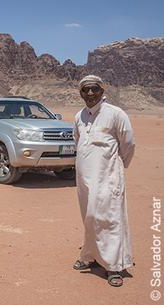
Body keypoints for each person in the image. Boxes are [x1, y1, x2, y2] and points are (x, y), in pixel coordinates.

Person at [72, 75, 135, 287]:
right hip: (84, 181)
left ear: (102, 90)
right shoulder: (79, 116)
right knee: (89, 218)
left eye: (94, 89)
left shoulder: (116, 114)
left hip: (108, 177)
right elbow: (78, 141)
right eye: (85, 90)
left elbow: (128, 144)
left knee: (109, 219)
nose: (90, 94)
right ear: (81, 93)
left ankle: (114, 266)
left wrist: (116, 167)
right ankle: (91, 257)